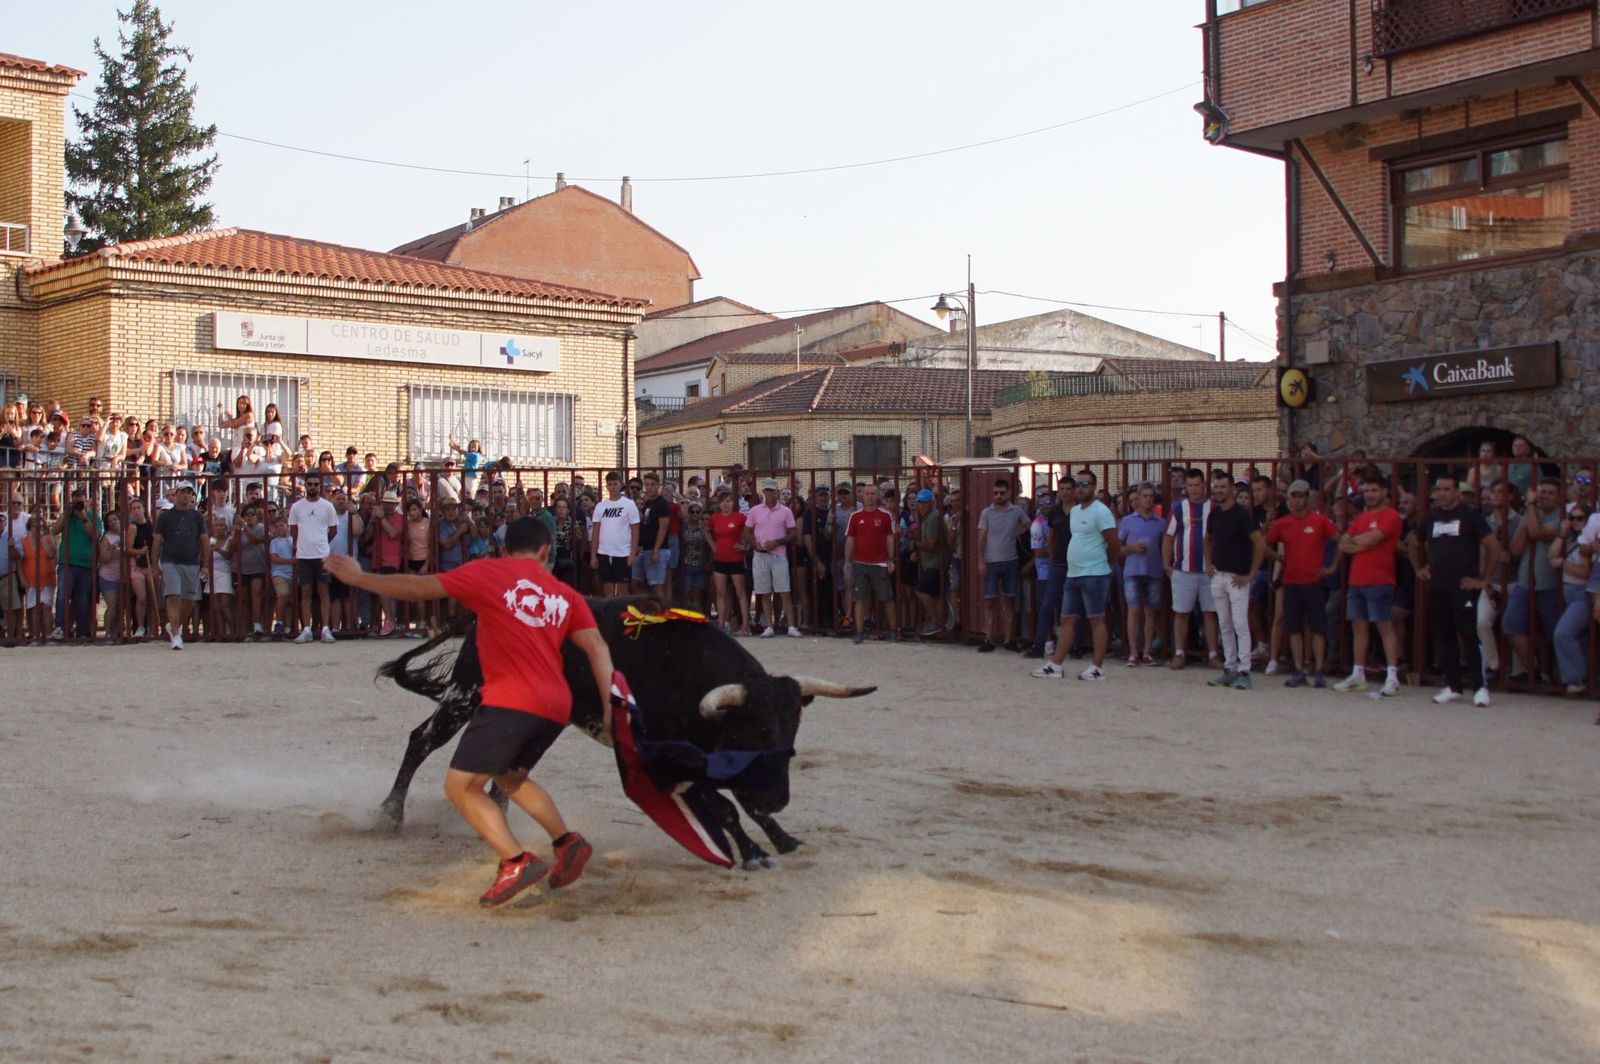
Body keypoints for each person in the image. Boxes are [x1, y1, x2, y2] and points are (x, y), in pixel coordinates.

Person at [327, 518, 612, 907]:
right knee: (511, 777)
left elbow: (419, 588)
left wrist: (361, 578)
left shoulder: (488, 572)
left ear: (503, 549)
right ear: (546, 550)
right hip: (557, 705)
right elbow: (597, 647)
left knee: (460, 787)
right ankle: (567, 842)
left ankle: (515, 860)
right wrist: (610, 705)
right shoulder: (565, 594)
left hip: (512, 699)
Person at [1407, 474, 1499, 707]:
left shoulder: (1471, 515)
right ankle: (1453, 685)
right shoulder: (1431, 516)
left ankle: (1480, 686)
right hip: (1438, 584)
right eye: (1439, 489)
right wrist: (1419, 568)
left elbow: (1492, 545)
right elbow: (1414, 542)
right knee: (1444, 634)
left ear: (1457, 491)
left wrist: (1484, 580)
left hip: (1463, 585)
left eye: (1447, 489)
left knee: (1469, 633)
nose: (1442, 493)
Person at [1031, 471, 1119, 680]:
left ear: (1094, 486)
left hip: (1095, 573)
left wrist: (1105, 563)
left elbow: (1113, 543)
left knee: (1096, 620)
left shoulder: (1101, 511)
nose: (1080, 488)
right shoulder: (1076, 512)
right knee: (1067, 619)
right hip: (1074, 573)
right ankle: (1056, 664)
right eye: (1078, 484)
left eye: (1085, 484)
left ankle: (1097, 667)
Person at [1335, 474, 1406, 697]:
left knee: (1384, 626)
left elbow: (1372, 538)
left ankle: (1392, 677)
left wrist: (1360, 542)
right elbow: (1343, 543)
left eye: (1374, 491)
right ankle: (1358, 673)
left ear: (1384, 492)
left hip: (1379, 579)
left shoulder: (1391, 515)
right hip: (1357, 579)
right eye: (1366, 491)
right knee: (1358, 627)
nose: (1370, 495)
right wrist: (1364, 543)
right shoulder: (1362, 517)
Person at [1265, 480, 1340, 688]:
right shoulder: (1283, 523)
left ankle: (1318, 669)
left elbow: (1340, 540)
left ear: (1307, 498)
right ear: (1289, 498)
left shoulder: (1320, 520)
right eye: (1294, 496)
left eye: (1301, 496)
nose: (1297, 501)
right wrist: (1278, 558)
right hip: (1292, 581)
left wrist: (1332, 567)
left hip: (1313, 582)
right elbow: (1264, 543)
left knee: (1317, 628)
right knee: (1294, 628)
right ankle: (1298, 669)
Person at [1204, 470, 1266, 690]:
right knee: (1225, 624)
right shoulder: (1214, 514)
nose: (1219, 490)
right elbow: (1207, 539)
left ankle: (1244, 670)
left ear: (1231, 489)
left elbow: (1259, 543)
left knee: (1240, 623)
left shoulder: (1241, 514)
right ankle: (1230, 667)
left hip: (1237, 577)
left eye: (1223, 487)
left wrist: (1251, 574)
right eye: (1216, 487)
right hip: (1219, 576)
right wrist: (1209, 563)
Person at [1503, 477, 1563, 683]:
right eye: (1542, 492)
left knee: (1552, 633)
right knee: (1511, 625)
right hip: (1525, 582)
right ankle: (1533, 671)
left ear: (1560, 497)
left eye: (1550, 493)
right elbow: (1516, 549)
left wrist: (1529, 505)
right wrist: (1529, 514)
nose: (1544, 496)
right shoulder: (1531, 513)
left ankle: (1554, 675)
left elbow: (1537, 534)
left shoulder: (1560, 518)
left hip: (1551, 585)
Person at [1163, 468, 1220, 670]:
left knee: (1210, 613)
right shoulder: (1178, 509)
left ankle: (1213, 654)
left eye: (1197, 485)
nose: (1194, 489)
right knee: (1181, 613)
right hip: (1183, 570)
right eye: (1190, 485)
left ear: (1204, 485)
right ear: (1185, 487)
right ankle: (1179, 653)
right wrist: (1167, 566)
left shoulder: (1214, 508)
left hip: (1209, 571)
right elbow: (1168, 537)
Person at [975, 478, 1030, 652]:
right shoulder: (986, 513)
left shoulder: (1016, 511)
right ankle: (989, 638)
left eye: (1001, 493)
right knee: (989, 601)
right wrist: (980, 560)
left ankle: (1008, 639)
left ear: (1008, 493)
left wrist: (1018, 532)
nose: (998, 496)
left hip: (1010, 561)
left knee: (1009, 601)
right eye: (995, 493)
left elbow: (1029, 526)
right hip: (991, 561)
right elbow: (981, 537)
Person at [152, 483, 208, 650]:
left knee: (190, 600)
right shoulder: (165, 517)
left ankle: (174, 625)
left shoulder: (197, 516)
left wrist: (205, 563)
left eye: (189, 493)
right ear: (176, 494)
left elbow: (204, 539)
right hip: (170, 561)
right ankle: (176, 634)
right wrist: (155, 563)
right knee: (173, 596)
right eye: (182, 492)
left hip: (191, 561)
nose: (186, 495)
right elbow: (157, 540)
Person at [745, 478, 800, 637]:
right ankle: (769, 626)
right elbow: (747, 532)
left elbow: (793, 533)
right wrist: (754, 544)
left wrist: (777, 542)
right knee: (764, 592)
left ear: (777, 492)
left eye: (772, 490)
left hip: (779, 555)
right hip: (760, 555)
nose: (770, 493)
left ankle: (791, 626)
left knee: (784, 591)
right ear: (763, 491)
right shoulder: (755, 511)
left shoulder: (786, 511)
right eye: (767, 490)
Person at [288, 472, 338, 644]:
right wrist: (304, 543)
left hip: (322, 555)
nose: (313, 487)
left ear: (320, 486)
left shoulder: (327, 506)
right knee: (306, 593)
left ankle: (325, 629)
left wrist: (321, 542)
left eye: (316, 484)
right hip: (304, 555)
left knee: (324, 592)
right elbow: (293, 529)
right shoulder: (296, 507)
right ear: (305, 485)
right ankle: (306, 629)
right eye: (310, 484)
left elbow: (333, 530)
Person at [844, 483, 897, 645]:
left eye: (873, 494)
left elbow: (890, 538)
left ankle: (893, 630)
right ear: (862, 497)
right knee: (859, 598)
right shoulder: (855, 516)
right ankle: (859, 632)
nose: (870, 497)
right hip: (860, 562)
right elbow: (850, 539)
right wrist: (847, 561)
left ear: (878, 496)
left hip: (880, 563)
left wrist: (891, 558)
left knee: (886, 598)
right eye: (867, 494)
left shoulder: (886, 515)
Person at [1550, 505, 1592, 695]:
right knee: (1579, 636)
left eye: (1579, 518)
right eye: (1571, 517)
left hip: (1582, 592)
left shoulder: (1587, 543)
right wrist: (1561, 534)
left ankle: (1575, 678)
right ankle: (1586, 677)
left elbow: (1585, 573)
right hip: (1569, 592)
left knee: (1563, 633)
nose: (1575, 522)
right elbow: (1550, 557)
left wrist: (1562, 563)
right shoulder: (1570, 539)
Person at [590, 471, 639, 598]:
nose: (612, 487)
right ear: (606, 486)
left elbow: (635, 531)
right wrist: (593, 556)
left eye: (615, 484)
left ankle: (624, 611)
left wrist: (633, 554)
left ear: (620, 485)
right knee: (608, 592)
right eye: (610, 484)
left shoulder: (629, 505)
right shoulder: (600, 506)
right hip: (604, 553)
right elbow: (595, 532)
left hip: (623, 553)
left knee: (623, 592)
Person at [707, 491, 750, 635]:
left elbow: (750, 532)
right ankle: (721, 624)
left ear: (733, 503)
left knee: (740, 592)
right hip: (720, 559)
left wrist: (745, 546)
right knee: (720, 592)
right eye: (723, 501)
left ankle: (745, 626)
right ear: (719, 504)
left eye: (728, 501)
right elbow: (706, 531)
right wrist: (713, 546)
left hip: (736, 559)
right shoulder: (714, 518)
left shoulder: (740, 517)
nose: (725, 504)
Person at [634, 472, 672, 598]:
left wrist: (656, 550)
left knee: (657, 585)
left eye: (652, 484)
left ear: (658, 485)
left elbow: (663, 528)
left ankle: (661, 608)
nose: (649, 488)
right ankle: (649, 605)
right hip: (645, 549)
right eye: (647, 485)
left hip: (657, 550)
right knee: (635, 582)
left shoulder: (661, 503)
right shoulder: (647, 503)